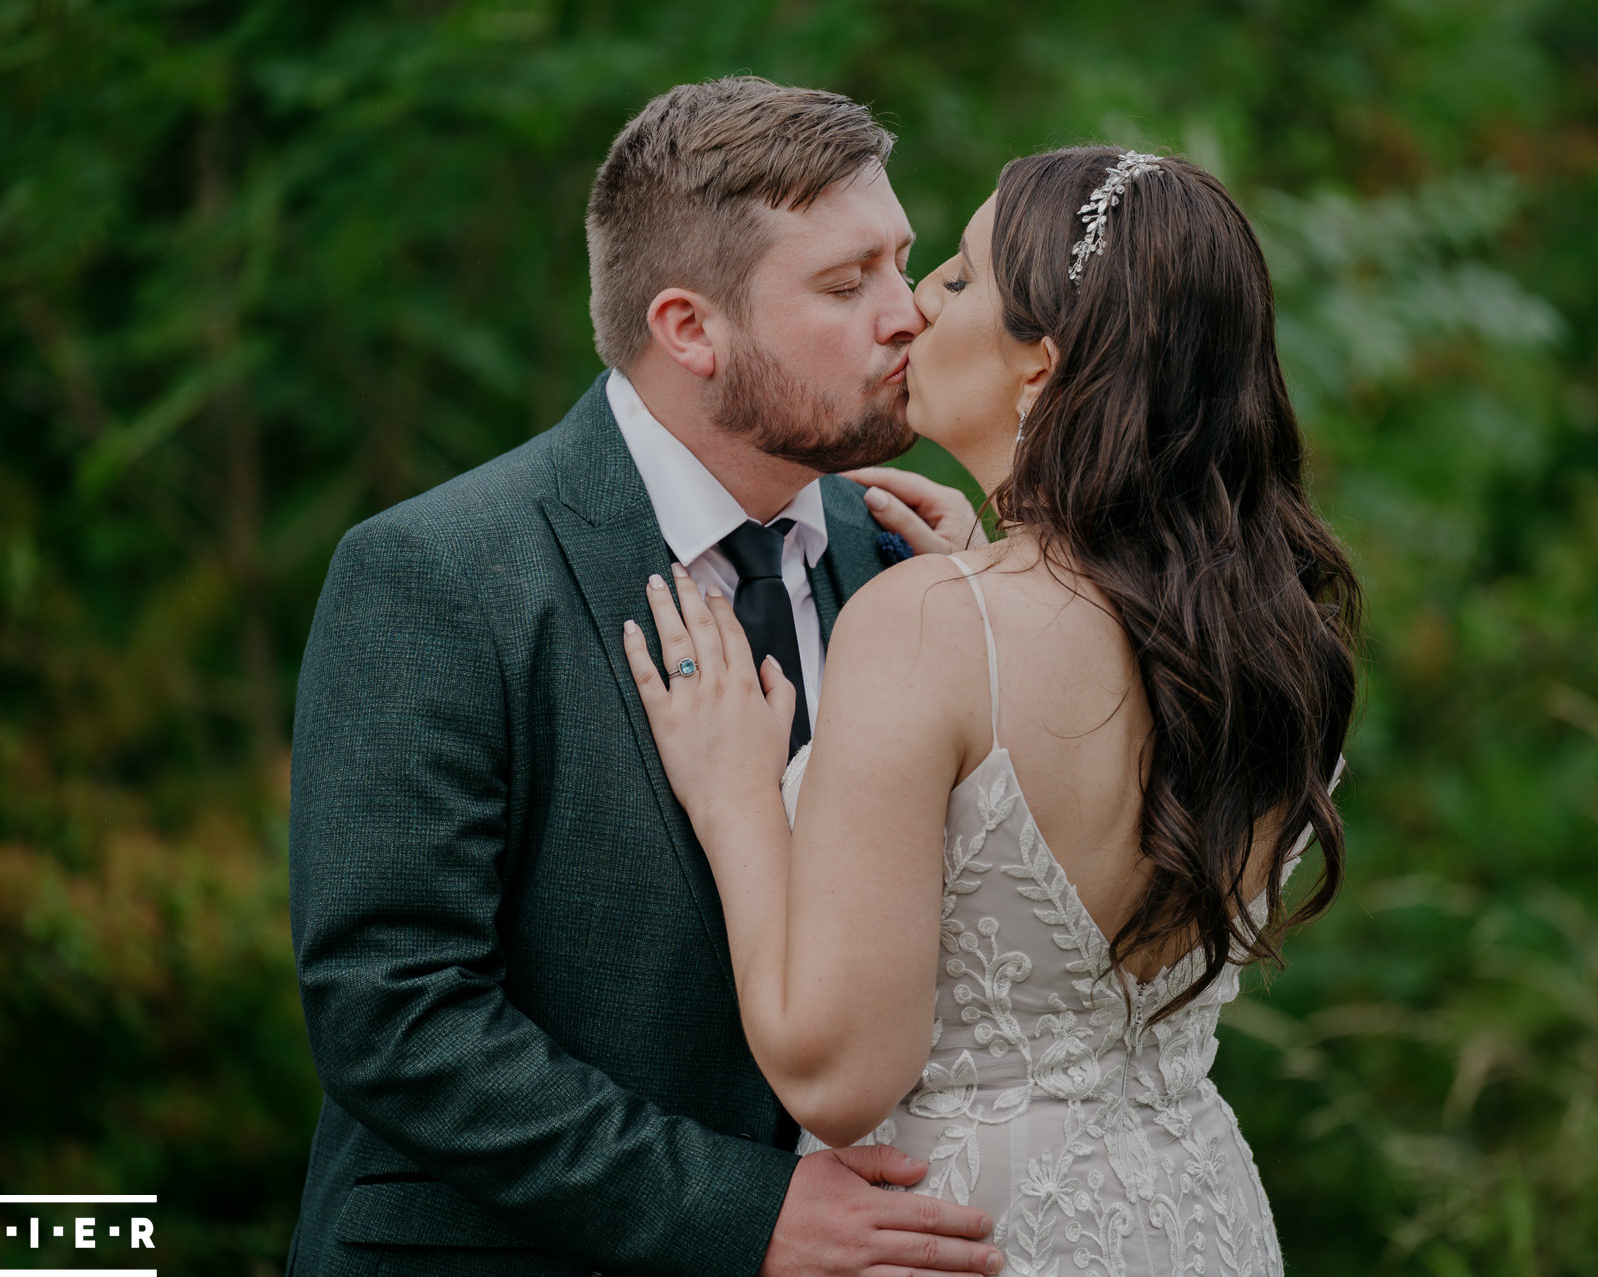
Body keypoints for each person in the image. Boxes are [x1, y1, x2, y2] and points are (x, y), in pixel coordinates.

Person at [285, 77, 1006, 1277]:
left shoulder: (905, 563)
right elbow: (393, 1013)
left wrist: (992, 620)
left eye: (904, 261)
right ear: (689, 329)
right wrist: (741, 1209)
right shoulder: (437, 575)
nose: (908, 315)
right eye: (845, 284)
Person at [623, 147, 1363, 1277]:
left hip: (975, 1234)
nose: (915, 303)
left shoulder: (930, 624)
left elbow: (836, 1073)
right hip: (1197, 1216)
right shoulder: (1279, 645)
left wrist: (734, 798)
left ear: (1041, 368)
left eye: (957, 279)